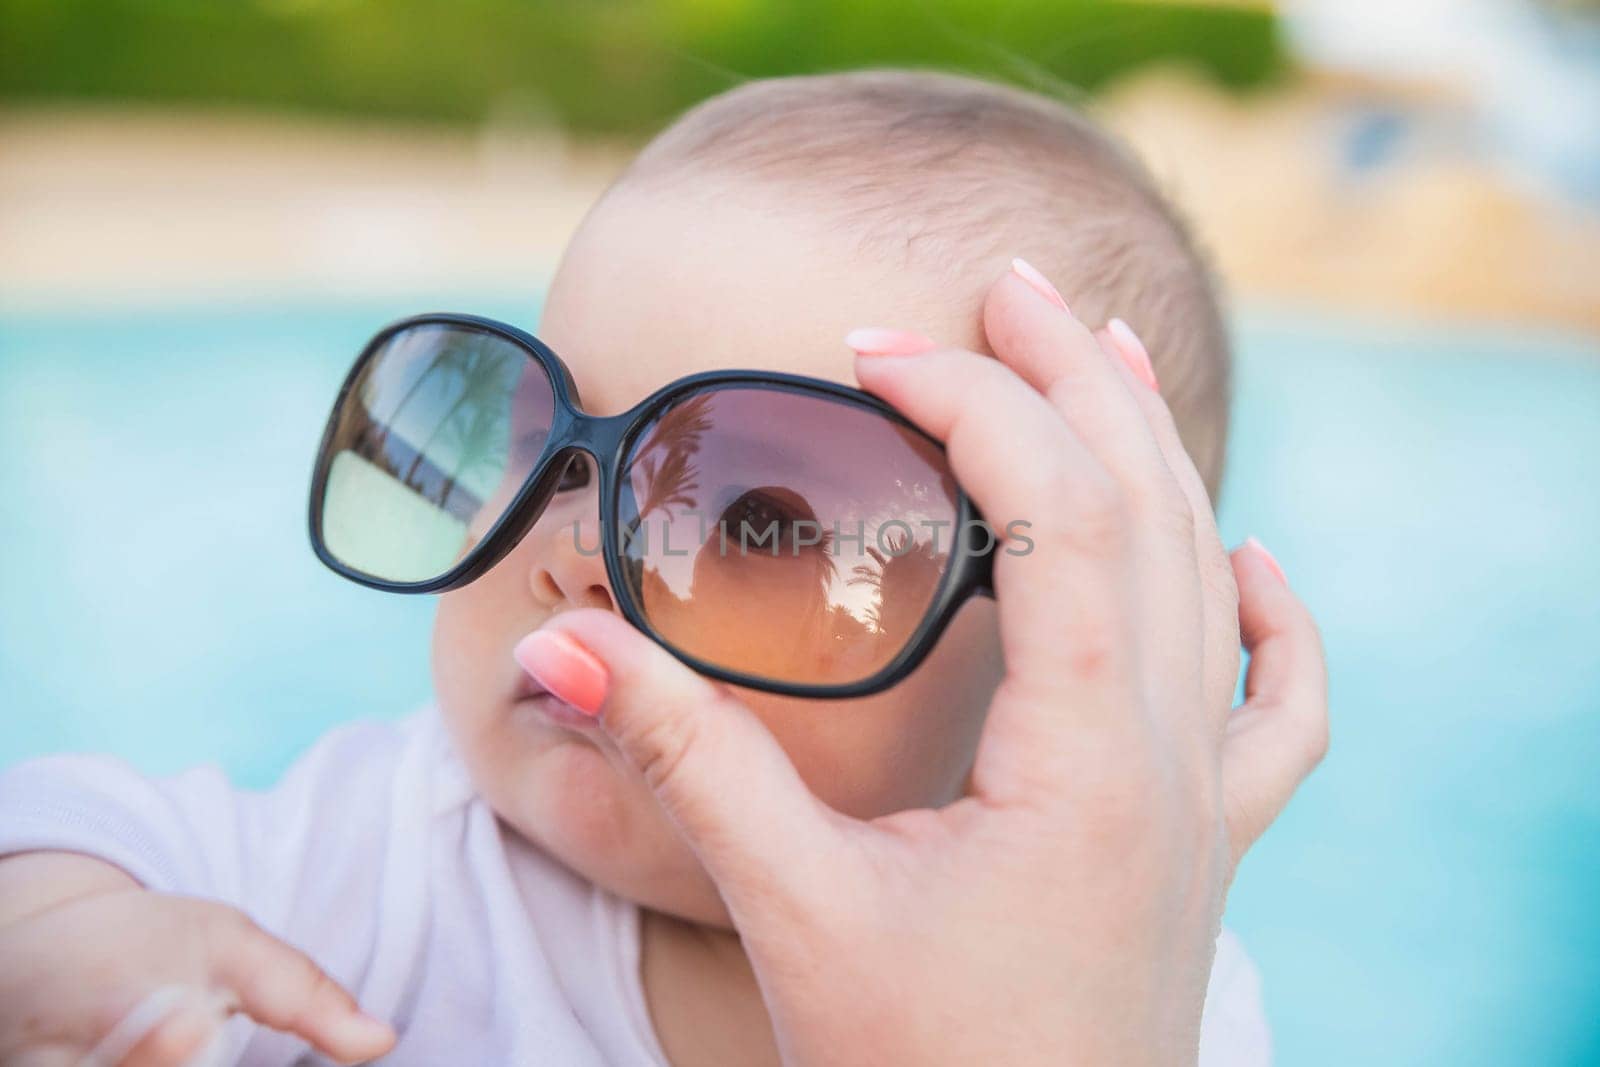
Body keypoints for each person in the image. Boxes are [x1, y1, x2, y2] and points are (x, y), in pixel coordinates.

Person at [0, 69, 1327, 1066]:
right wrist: (61, 933)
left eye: (760, 520)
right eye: (539, 438)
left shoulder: (1147, 1007)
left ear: (1071, 661)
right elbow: (83, 828)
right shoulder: (398, 851)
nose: (565, 549)